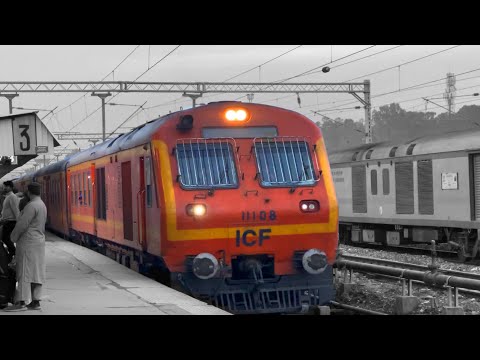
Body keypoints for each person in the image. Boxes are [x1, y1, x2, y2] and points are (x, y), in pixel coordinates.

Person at [3, 182, 47, 311]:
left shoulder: (31, 206)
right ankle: (35, 301)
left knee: (23, 271)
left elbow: (22, 225)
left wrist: (12, 237)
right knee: (36, 272)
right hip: (38, 242)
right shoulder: (42, 205)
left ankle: (21, 302)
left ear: (29, 192)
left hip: (28, 242)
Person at [0, 181, 20, 262]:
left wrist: (18, 222)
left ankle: (14, 252)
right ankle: (11, 254)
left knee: (5, 238)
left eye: (5, 187)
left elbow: (16, 210)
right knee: (4, 238)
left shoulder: (12, 197)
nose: (3, 188)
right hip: (6, 221)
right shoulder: (8, 197)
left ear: (10, 187)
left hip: (11, 222)